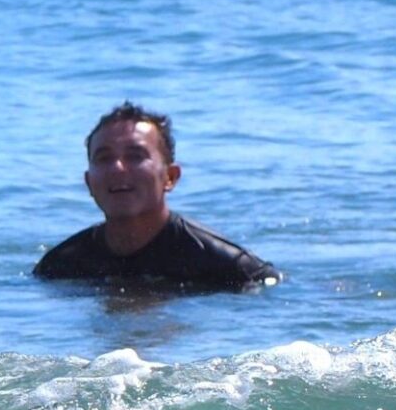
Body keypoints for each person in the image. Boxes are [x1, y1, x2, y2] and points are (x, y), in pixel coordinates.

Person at [33, 102, 280, 289]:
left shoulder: (233, 267)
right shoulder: (59, 267)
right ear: (88, 182)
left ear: (170, 177)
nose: (118, 167)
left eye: (135, 156)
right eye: (104, 158)